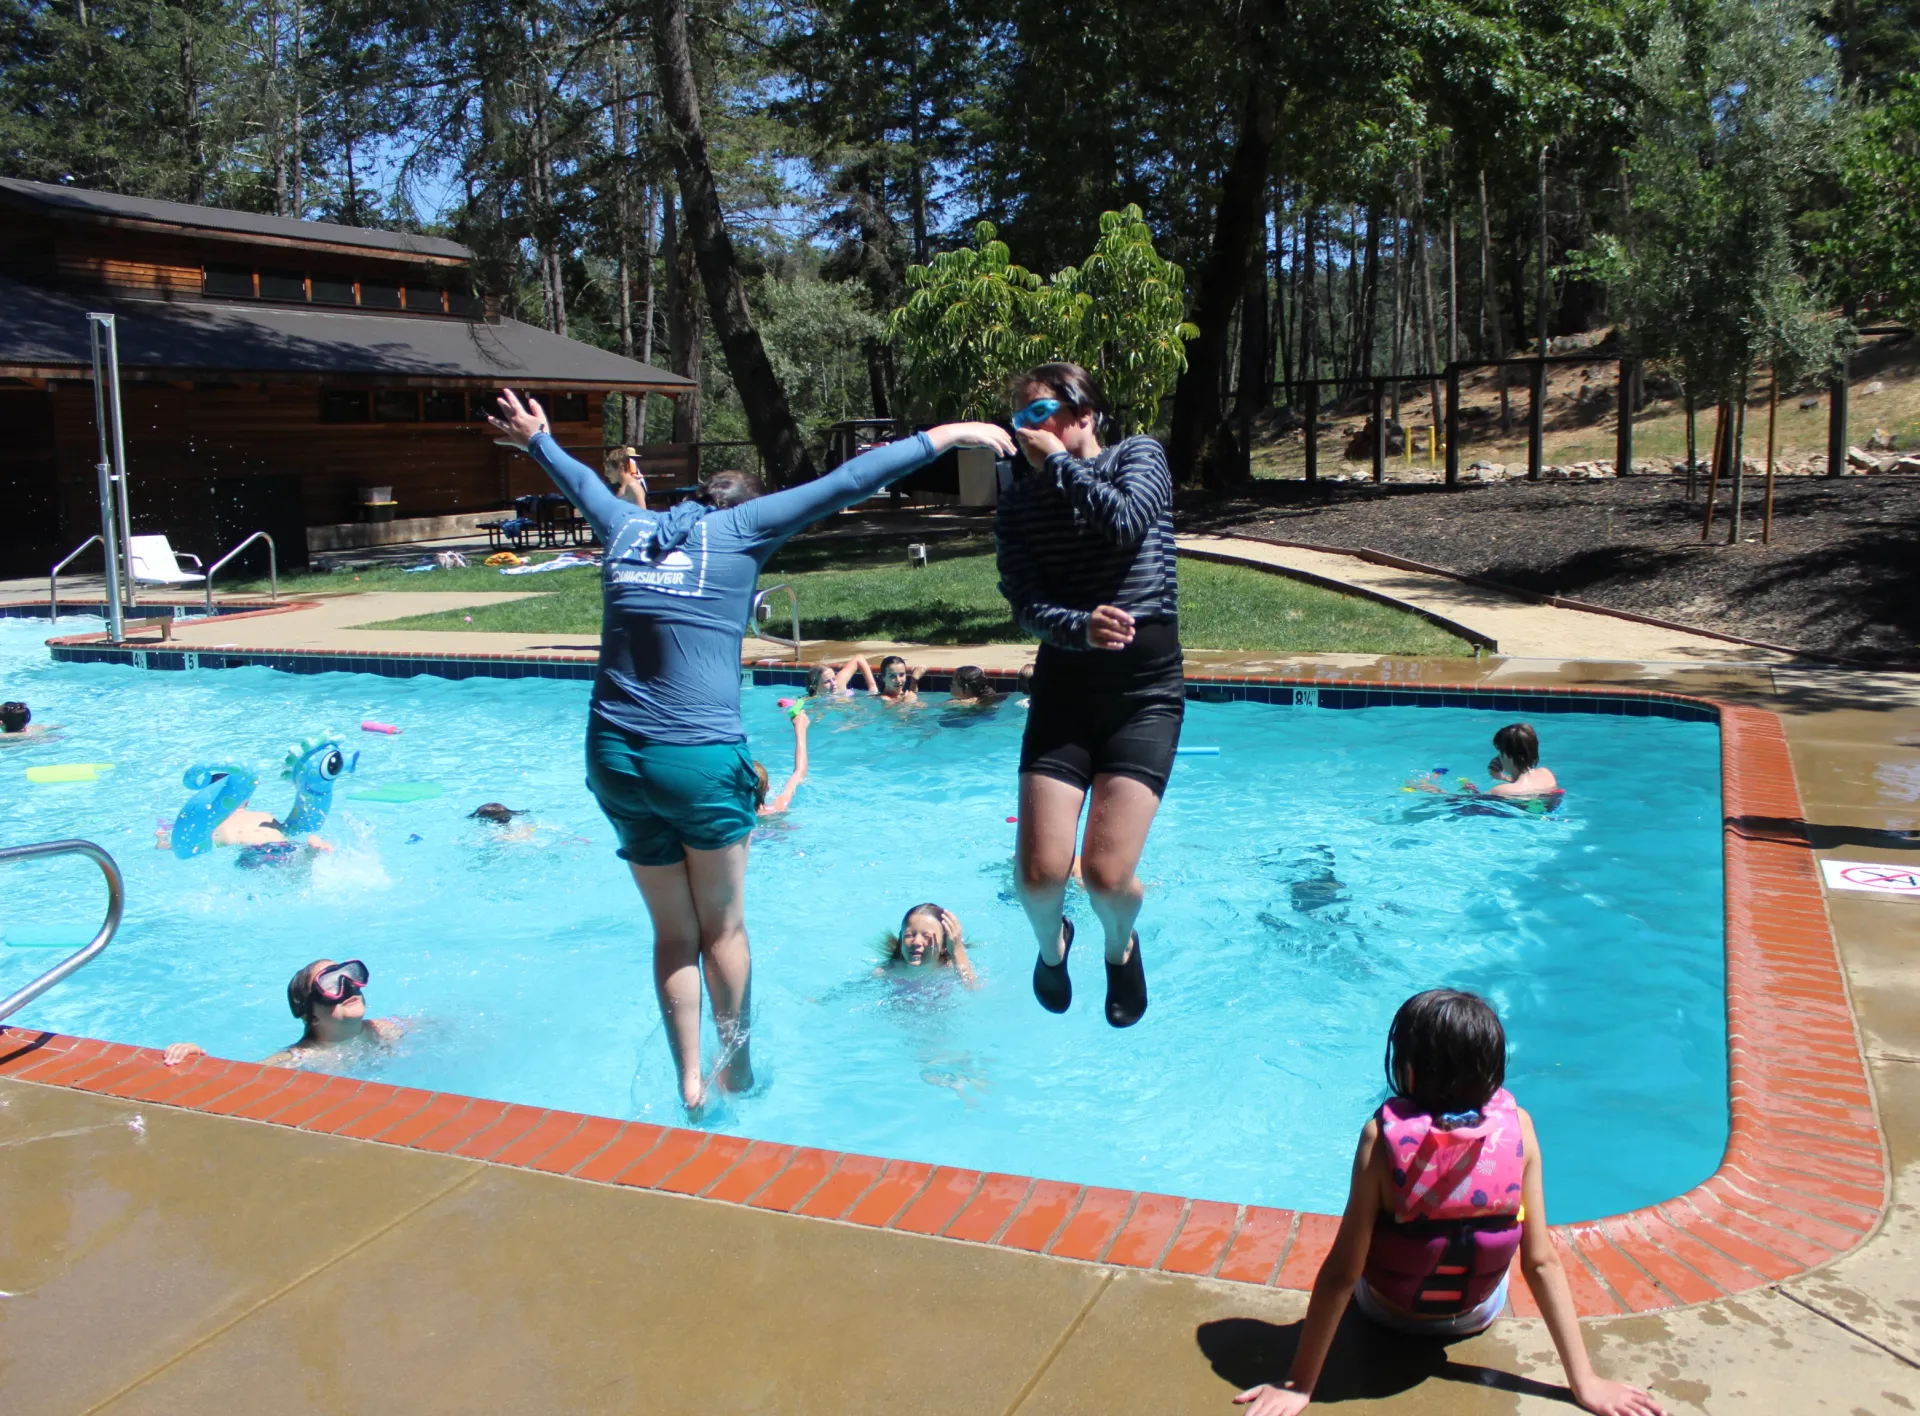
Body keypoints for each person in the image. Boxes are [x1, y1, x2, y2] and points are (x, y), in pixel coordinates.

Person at [485, 387, 1013, 1111]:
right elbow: (848, 481)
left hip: (611, 754)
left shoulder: (628, 526)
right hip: (694, 759)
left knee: (673, 933)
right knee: (722, 929)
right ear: (746, 508)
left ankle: (688, 1080)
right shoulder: (740, 531)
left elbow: (579, 483)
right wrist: (949, 432)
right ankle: (738, 1069)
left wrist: (538, 439)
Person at [1231, 990, 1667, 1416]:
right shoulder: (1520, 1127)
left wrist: (1299, 1384)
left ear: (1411, 1070)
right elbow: (1540, 1263)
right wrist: (1585, 1382)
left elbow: (1344, 1272)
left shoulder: (1380, 1139)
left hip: (1387, 1311)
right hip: (1475, 1313)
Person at [995, 361, 1180, 1029]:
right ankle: (1053, 947)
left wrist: (1058, 470)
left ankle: (1118, 944)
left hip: (1144, 694)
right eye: (1019, 421)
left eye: (1039, 414)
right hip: (1066, 690)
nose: (1027, 431)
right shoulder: (1019, 502)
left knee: (1104, 876)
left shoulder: (1141, 457)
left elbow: (1126, 524)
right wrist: (1078, 625)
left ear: (1084, 414)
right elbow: (1025, 601)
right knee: (1040, 878)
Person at [162, 958, 403, 1069]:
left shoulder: (384, 1030)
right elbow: (238, 1079)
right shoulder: (300, 1059)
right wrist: (196, 1060)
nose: (348, 987)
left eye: (350, 976)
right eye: (330, 984)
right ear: (312, 1014)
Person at [878, 903, 975, 986]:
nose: (916, 942)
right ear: (901, 939)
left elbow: (972, 989)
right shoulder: (885, 973)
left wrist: (956, 950)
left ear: (943, 946)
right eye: (909, 935)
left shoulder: (950, 970)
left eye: (927, 937)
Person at [755, 707, 809, 816]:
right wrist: (800, 728)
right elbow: (799, 772)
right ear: (768, 788)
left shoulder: (732, 816)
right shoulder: (778, 807)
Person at [1486, 722, 1558, 798]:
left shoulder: (1500, 791)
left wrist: (1471, 788)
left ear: (1509, 756)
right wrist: (1505, 778)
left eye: (1500, 752)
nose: (1498, 757)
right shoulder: (1546, 774)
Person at [806, 656, 878, 699]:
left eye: (833, 679)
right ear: (815, 686)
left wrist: (872, 686)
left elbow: (859, 658)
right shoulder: (812, 699)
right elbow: (795, 703)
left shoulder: (839, 683)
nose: (833, 683)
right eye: (827, 682)